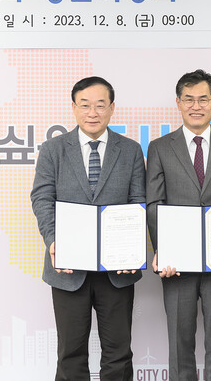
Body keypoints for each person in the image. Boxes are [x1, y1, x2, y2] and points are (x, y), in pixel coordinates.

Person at [31, 76, 146, 381]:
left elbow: (138, 202)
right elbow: (42, 197)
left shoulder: (131, 150)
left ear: (112, 108)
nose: (92, 113)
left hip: (117, 271)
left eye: (100, 105)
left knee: (118, 353)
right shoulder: (53, 149)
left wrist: (132, 249)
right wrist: (53, 240)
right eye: (85, 105)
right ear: (73, 108)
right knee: (70, 353)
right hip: (68, 269)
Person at [146, 69, 211, 381]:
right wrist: (162, 249)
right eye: (188, 99)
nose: (196, 106)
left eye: (203, 99)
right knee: (179, 344)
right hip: (176, 264)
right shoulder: (159, 147)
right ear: (178, 103)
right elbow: (154, 203)